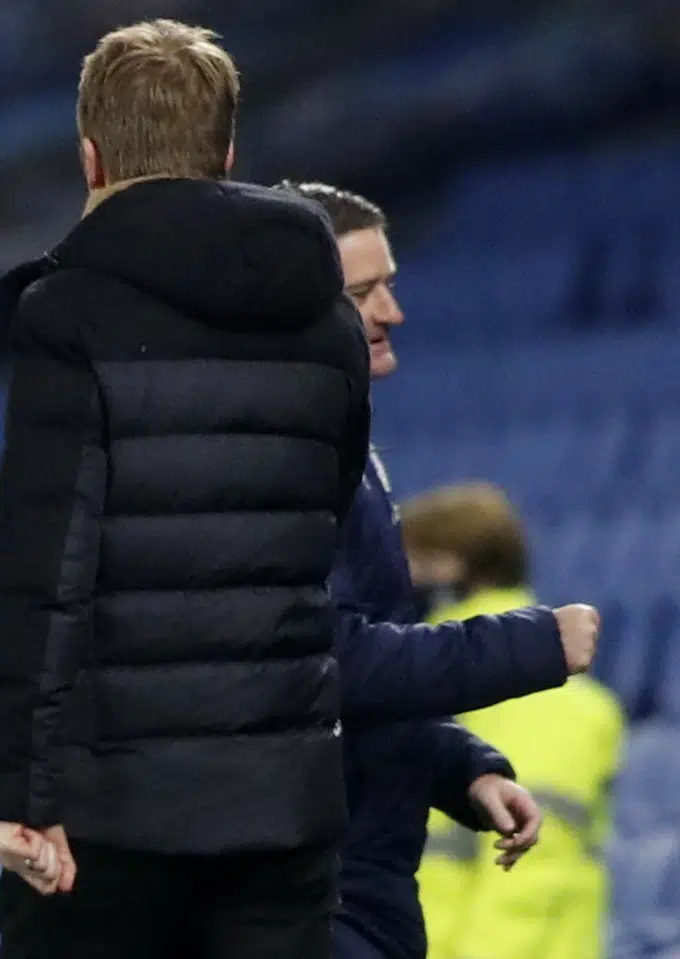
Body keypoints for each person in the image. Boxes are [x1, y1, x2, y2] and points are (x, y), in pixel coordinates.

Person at [0, 20, 375, 959]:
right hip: (284, 805)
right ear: (228, 153)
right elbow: (332, 506)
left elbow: (46, 570)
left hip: (114, 814)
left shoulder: (66, 314)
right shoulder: (330, 324)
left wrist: (19, 797)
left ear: (90, 156)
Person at [279, 181, 604, 959]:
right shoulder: (286, 467)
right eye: (365, 292)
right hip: (325, 892)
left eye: (390, 282)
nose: (392, 310)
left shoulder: (350, 460)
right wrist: (534, 644)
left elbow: (363, 684)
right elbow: (330, 660)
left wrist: (460, 768)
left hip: (369, 891)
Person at [402, 482, 624, 959]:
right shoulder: (426, 684)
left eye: (413, 565)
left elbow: (529, 880)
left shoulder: (550, 698)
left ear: (451, 568)